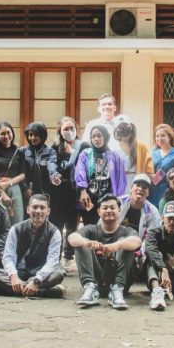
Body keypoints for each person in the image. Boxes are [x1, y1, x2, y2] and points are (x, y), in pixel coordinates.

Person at [68, 194, 142, 309]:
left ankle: (117, 289)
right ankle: (90, 288)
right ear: (99, 212)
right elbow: (71, 237)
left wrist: (116, 246)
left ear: (119, 210)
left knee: (125, 242)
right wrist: (87, 243)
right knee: (81, 242)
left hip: (119, 282)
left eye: (112, 207)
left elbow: (137, 241)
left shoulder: (127, 230)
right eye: (105, 208)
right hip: (97, 280)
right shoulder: (91, 229)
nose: (108, 210)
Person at [0, 194, 66, 298]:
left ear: (48, 211)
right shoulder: (16, 229)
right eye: (35, 207)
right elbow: (8, 257)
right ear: (28, 209)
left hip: (40, 274)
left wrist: (36, 281)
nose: (38, 211)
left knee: (58, 274)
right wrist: (13, 276)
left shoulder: (54, 232)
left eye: (42, 208)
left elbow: (52, 262)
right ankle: (42, 292)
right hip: (19, 272)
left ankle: (11, 289)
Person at [49, 116, 85, 272]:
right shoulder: (56, 147)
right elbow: (52, 165)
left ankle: (69, 257)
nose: (69, 131)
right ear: (60, 131)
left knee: (72, 226)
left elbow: (84, 167)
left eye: (72, 128)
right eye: (66, 129)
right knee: (56, 226)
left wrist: (72, 154)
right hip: (58, 191)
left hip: (75, 191)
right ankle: (54, 259)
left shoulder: (83, 146)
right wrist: (54, 175)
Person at [75, 124, 127, 224]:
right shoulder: (85, 154)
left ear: (105, 136)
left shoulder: (115, 156)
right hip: (89, 198)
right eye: (93, 136)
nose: (96, 139)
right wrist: (83, 191)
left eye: (99, 136)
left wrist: (117, 199)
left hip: (108, 199)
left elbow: (120, 179)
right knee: (89, 226)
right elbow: (80, 172)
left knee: (107, 226)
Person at [119, 174, 161, 281]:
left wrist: (140, 252)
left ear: (148, 193)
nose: (140, 189)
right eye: (137, 185)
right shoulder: (117, 203)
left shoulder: (153, 212)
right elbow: (102, 225)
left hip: (139, 249)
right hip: (116, 244)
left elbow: (152, 238)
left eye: (144, 187)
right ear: (130, 188)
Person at [0, 121, 27, 223]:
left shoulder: (19, 151)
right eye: (2, 134)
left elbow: (22, 174)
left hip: (14, 186)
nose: (6, 136)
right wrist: (2, 193)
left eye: (8, 132)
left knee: (16, 218)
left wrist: (8, 183)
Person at [21, 121, 59, 201]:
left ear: (42, 135)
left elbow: (52, 165)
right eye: (30, 135)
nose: (33, 138)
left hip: (43, 192)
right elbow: (19, 172)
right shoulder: (22, 151)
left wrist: (54, 176)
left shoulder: (50, 152)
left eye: (36, 135)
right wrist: (25, 188)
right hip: (24, 191)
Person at [113, 120, 154, 192]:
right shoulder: (113, 147)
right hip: (119, 180)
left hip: (136, 179)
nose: (123, 138)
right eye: (121, 134)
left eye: (126, 134)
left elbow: (148, 165)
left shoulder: (141, 146)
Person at [150, 124, 174, 206]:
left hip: (168, 191)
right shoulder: (151, 153)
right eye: (157, 136)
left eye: (163, 136)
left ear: (170, 137)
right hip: (152, 190)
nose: (159, 138)